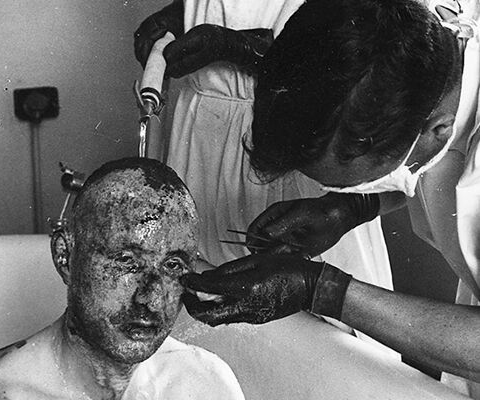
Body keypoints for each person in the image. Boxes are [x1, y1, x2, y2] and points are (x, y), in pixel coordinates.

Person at [181, 0, 480, 396]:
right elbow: (421, 167)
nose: (348, 191)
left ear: (435, 129)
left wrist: (321, 288)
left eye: (349, 185)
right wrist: (347, 208)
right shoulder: (423, 39)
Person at [133, 0, 395, 356]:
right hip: (203, 123)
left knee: (314, 317)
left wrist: (237, 46)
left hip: (295, 120)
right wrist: (185, 12)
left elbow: (364, 42)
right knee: (203, 292)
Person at [0, 158, 244, 400]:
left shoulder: (204, 381)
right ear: (65, 257)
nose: (151, 298)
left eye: (173, 265)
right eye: (127, 261)